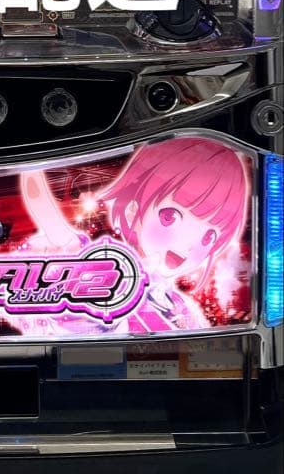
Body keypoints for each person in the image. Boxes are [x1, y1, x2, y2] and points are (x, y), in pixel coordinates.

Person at [19, 136, 249, 334]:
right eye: (169, 217)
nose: (188, 245)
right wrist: (28, 155)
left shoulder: (182, 309)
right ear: (132, 211)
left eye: (209, 237)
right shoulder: (113, 280)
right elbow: (47, 213)